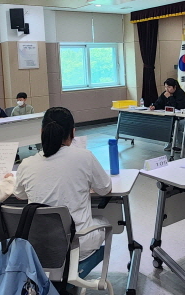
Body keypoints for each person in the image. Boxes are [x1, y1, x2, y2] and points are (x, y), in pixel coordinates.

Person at [14, 107, 112, 263]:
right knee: (105, 220)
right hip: (77, 246)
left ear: (42, 132)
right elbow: (105, 189)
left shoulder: (26, 164)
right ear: (73, 133)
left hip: (40, 249)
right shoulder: (84, 157)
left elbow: (20, 195)